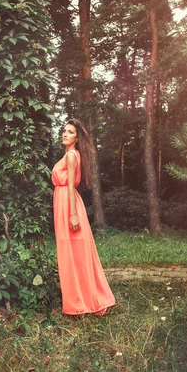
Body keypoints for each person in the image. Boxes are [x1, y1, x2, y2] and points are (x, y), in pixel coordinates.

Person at [52, 119, 115, 316]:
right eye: (63, 131)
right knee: (72, 251)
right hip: (63, 201)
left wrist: (72, 215)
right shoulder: (71, 154)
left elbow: (71, 185)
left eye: (70, 132)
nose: (65, 134)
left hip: (68, 204)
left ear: (77, 137)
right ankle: (79, 299)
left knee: (74, 252)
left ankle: (82, 302)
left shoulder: (71, 155)